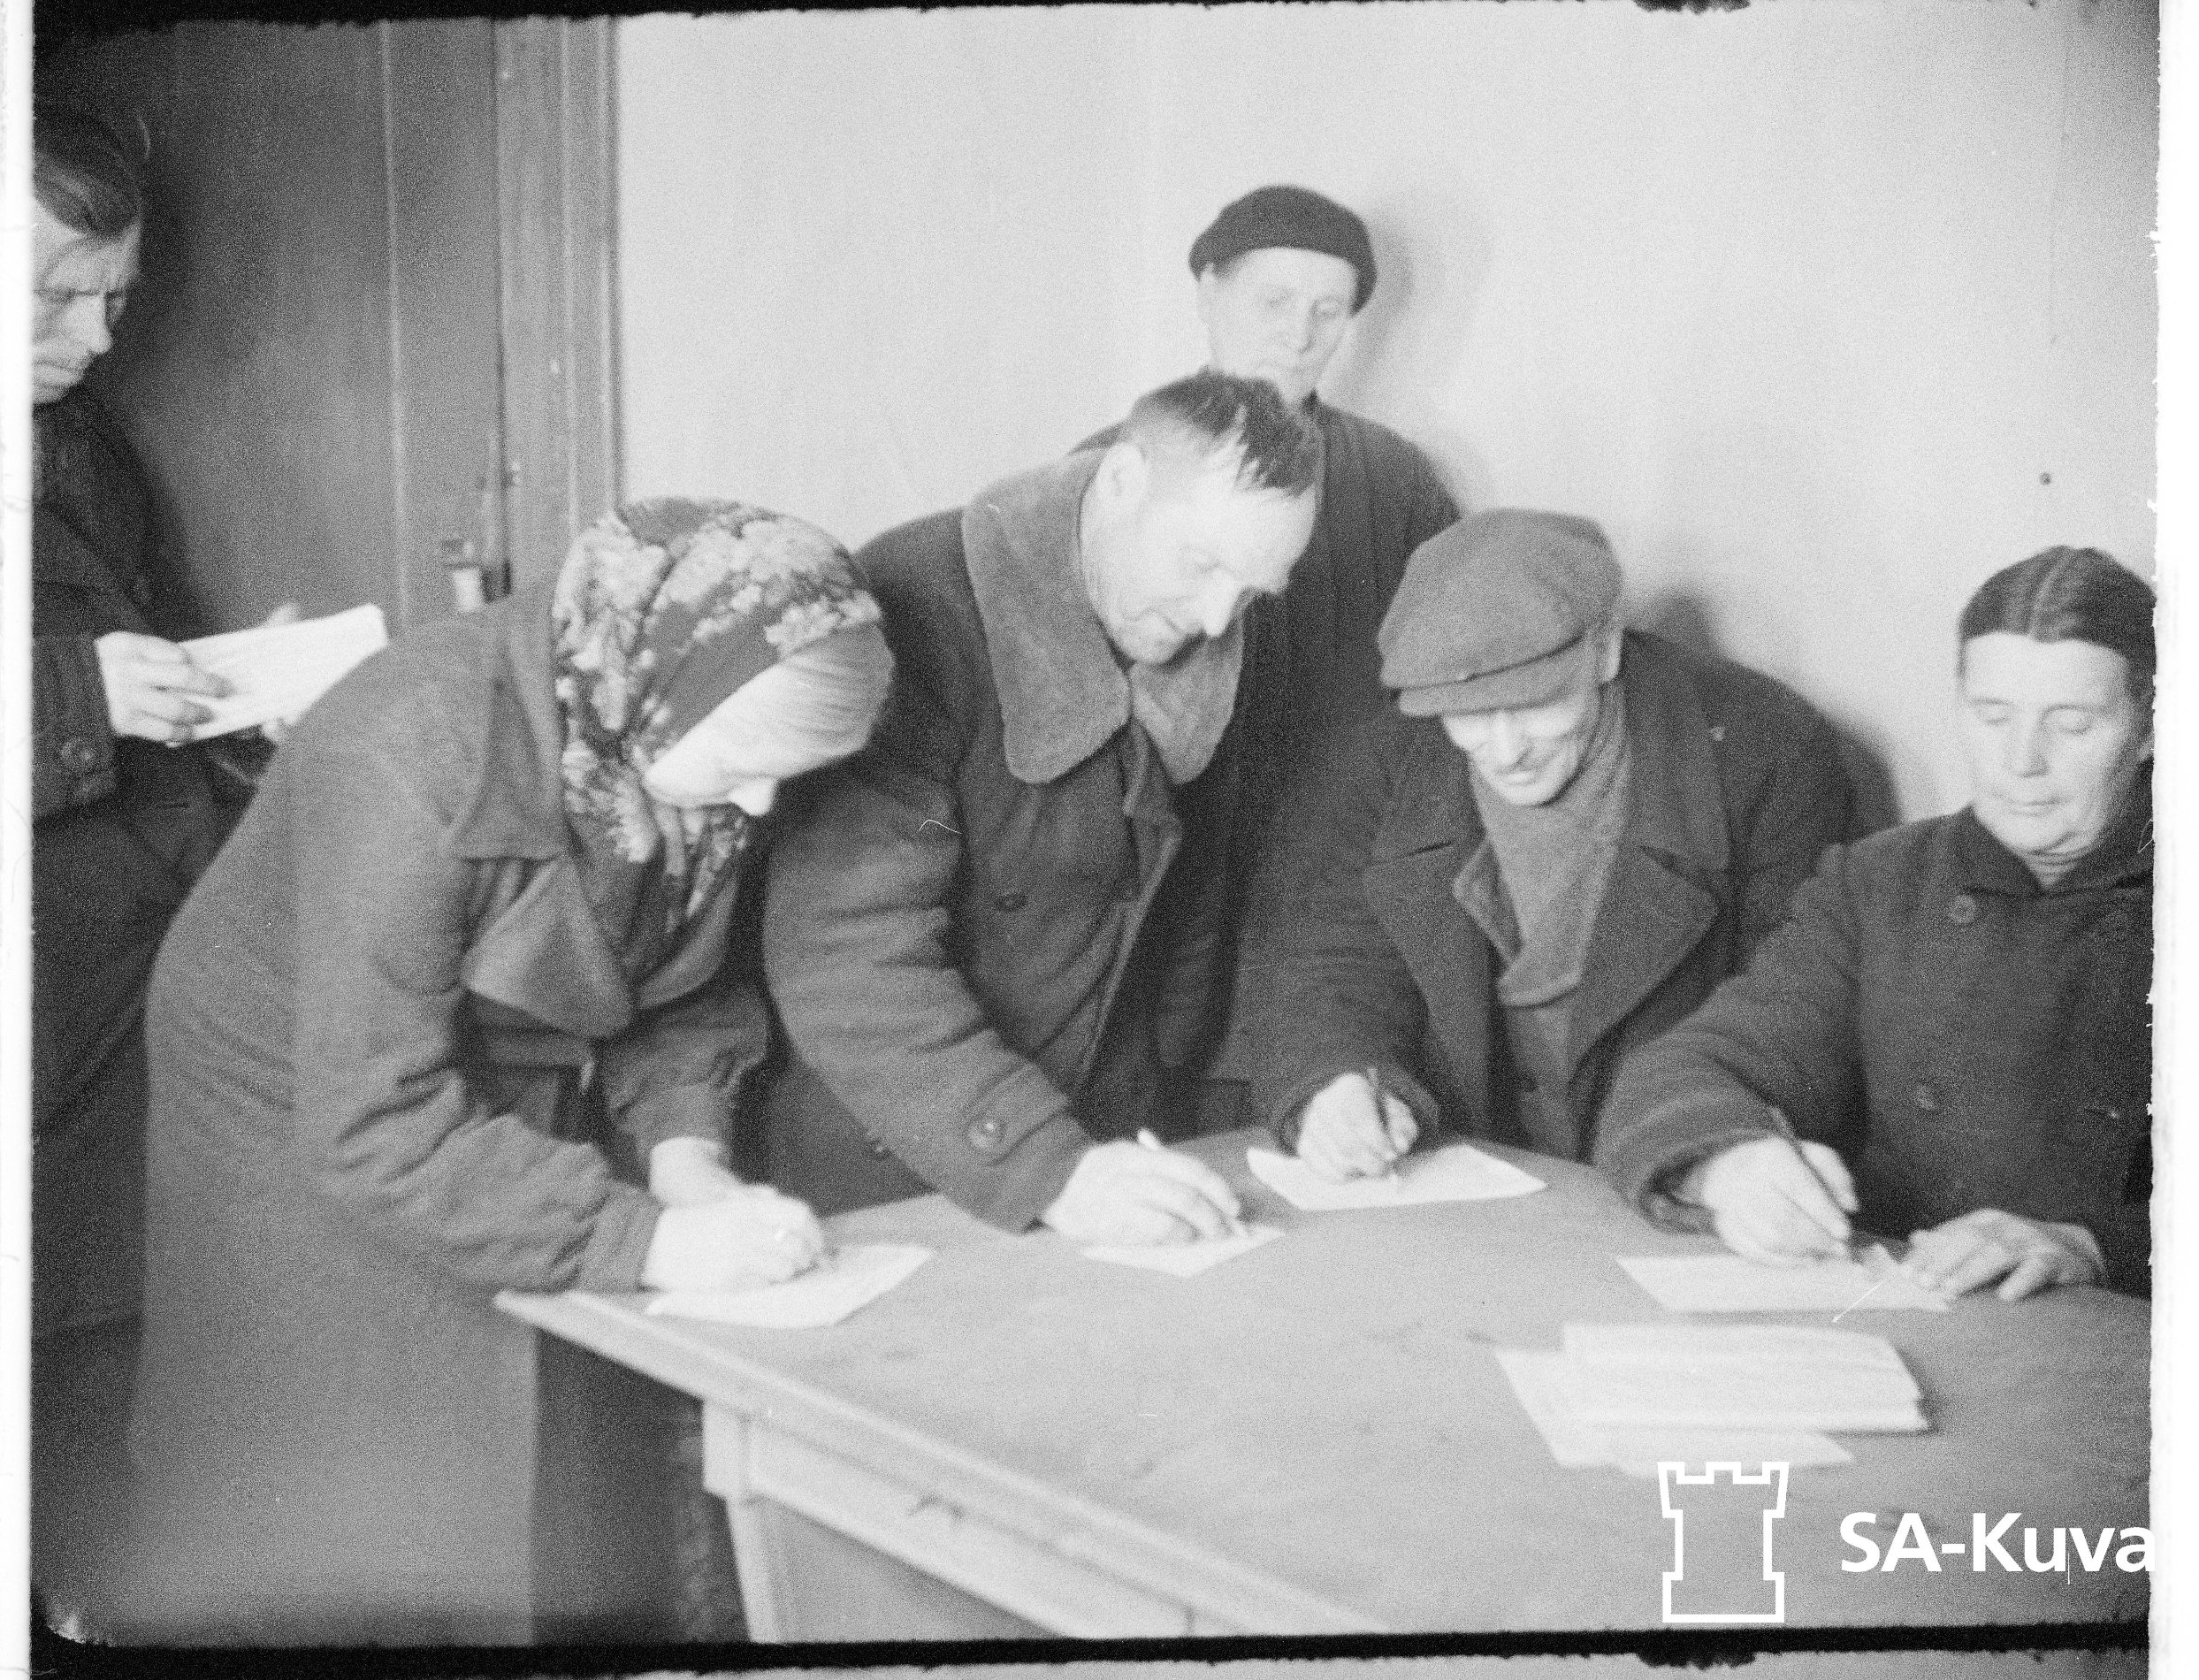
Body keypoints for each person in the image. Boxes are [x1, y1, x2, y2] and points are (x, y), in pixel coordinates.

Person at [120, 500, 894, 1644]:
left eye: (787, 776)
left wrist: (686, 1158)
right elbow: (376, 1126)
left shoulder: (679, 725)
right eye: (744, 768)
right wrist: (653, 1243)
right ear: (665, 687)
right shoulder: (404, 754)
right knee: (337, 1461)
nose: (760, 805)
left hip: (484, 1050)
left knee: (515, 1438)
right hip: (294, 1079)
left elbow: (682, 979)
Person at [763, 371, 1320, 1243]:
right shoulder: (914, 605)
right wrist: (1047, 1167)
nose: (1218, 620)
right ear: (1123, 479)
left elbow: (1190, 930)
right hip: (905, 1157)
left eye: (1251, 590)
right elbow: (843, 952)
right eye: (1203, 564)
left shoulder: (1208, 631)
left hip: (1106, 1149)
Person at [1596, 547, 2152, 1302]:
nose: (2021, 761)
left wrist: (2090, 1244)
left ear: (2149, 729)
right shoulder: (1881, 882)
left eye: (2073, 725)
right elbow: (1681, 1070)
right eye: (1992, 717)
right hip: (1904, 1304)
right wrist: (1731, 1165)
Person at [1244, 508, 1857, 1179]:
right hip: (1472, 1176)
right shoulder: (1385, 757)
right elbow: (1336, 957)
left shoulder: (1765, 753)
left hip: (1675, 1169)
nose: (1506, 752)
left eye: (1537, 704)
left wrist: (1708, 1154)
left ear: (1606, 649)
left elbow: (1793, 1008)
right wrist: (1337, 1082)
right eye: (1469, 716)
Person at [26, 102, 292, 1628]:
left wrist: (229, 684)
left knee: (132, 1344)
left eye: (114, 298)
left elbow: (147, 634)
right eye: (57, 292)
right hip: (40, 1007)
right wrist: (74, 695)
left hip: (140, 969)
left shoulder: (80, 445)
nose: (97, 336)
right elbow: (79, 678)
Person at [1084, 186, 1459, 1114]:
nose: (1300, 334)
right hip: (1156, 874)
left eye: (1329, 310)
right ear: (1207, 290)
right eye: (1274, 301)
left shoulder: (1393, 478)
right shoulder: (1113, 468)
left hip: (1328, 877)